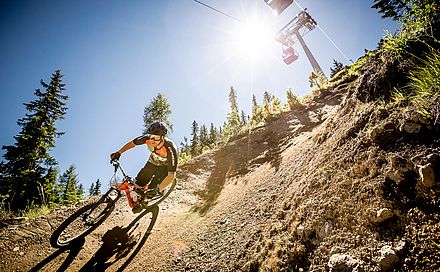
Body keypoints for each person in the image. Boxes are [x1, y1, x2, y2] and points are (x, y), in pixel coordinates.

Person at [110, 121, 178, 213]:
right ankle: (138, 198)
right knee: (139, 183)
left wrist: (157, 190)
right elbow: (132, 144)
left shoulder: (170, 149)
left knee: (152, 189)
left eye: (156, 137)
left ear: (162, 137)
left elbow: (171, 175)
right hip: (152, 162)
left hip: (165, 167)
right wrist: (119, 153)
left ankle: (146, 201)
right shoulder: (147, 138)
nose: (153, 140)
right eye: (151, 136)